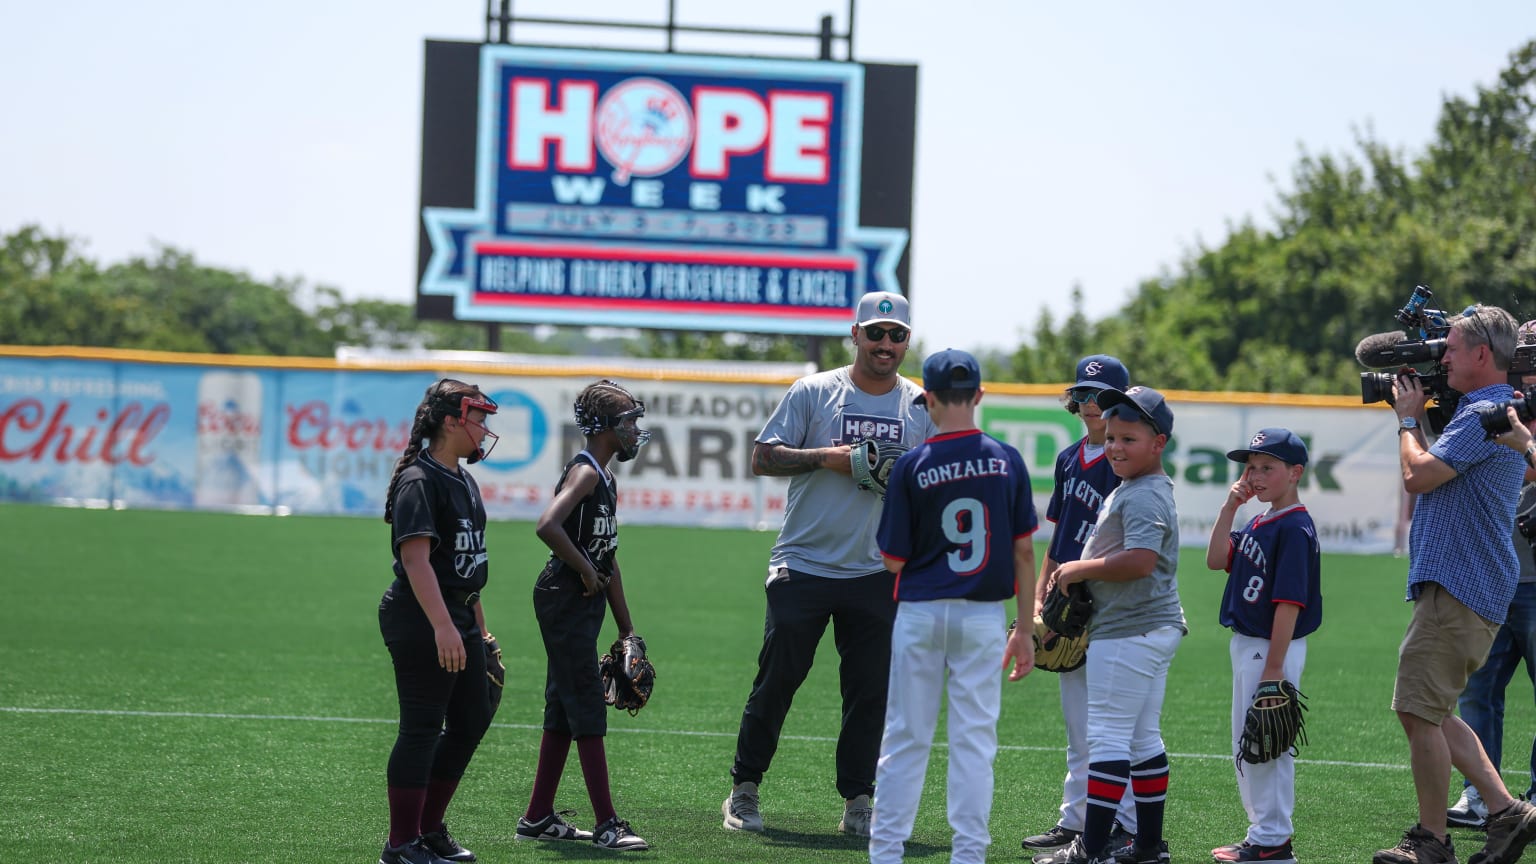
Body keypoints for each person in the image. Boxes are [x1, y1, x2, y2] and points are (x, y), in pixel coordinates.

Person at [723, 291, 937, 837]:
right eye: (876, 332)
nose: (886, 344)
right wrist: (826, 458)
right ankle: (744, 788)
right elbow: (762, 456)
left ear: (907, 341)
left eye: (897, 335)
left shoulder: (919, 406)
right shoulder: (816, 391)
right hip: (804, 563)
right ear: (855, 334)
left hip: (876, 571)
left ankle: (859, 803)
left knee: (869, 693)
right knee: (778, 680)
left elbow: (936, 485)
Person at [1374, 304, 1536, 864]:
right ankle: (1506, 812)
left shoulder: (1485, 410)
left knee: (1417, 710)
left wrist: (1406, 417)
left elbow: (1418, 476)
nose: (1441, 357)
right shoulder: (1487, 409)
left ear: (1482, 356)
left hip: (1461, 581)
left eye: (1450, 348)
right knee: (1433, 707)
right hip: (1468, 580)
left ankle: (1432, 840)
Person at [868, 348, 1039, 864]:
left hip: (920, 611)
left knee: (905, 738)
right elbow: (1025, 551)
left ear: (929, 400)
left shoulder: (913, 465)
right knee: (974, 743)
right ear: (979, 396)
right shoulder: (1006, 460)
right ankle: (968, 855)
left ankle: (886, 854)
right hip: (984, 616)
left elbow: (893, 560)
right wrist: (1026, 629)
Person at [1050, 385, 1185, 864]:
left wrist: (1077, 570)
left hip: (1130, 628)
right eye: (1110, 437)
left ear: (1159, 442)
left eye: (1129, 438)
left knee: (1107, 737)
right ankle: (1147, 847)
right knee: (1143, 738)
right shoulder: (1137, 487)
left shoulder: (1144, 494)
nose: (1115, 447)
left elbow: (1142, 560)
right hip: (1150, 625)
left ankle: (1088, 851)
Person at [516, 379, 651, 851]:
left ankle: (537, 817)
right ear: (608, 427)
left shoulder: (607, 476)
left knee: (562, 706)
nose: (636, 429)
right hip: (563, 597)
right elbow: (547, 525)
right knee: (588, 706)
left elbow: (607, 558)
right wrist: (583, 570)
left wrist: (627, 627)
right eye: (630, 421)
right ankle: (608, 824)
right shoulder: (588, 473)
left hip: (581, 600)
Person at [378, 379, 502, 864]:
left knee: (472, 718)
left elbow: (466, 570)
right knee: (422, 727)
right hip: (420, 617)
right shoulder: (420, 480)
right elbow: (417, 562)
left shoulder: (463, 479)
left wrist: (481, 630)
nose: (484, 428)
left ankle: (429, 829)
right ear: (451, 421)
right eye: (479, 417)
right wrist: (443, 628)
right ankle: (400, 843)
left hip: (457, 615)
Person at [1023, 355, 1139, 861]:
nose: (1092, 404)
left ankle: (1126, 824)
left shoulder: (1127, 462)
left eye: (1103, 395)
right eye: (1085, 394)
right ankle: (1076, 820)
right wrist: (1037, 601)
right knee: (1077, 721)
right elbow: (1058, 533)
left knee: (1115, 723)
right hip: (1066, 599)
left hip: (1110, 603)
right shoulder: (1070, 458)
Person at [1205, 428, 1322, 864]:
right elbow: (1217, 559)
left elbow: (1290, 601)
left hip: (1272, 647)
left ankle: (1273, 838)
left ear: (1295, 472)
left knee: (1266, 745)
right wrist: (1230, 505)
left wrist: (1274, 668)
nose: (1255, 476)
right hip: (1250, 644)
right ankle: (1262, 834)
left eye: (1267, 467)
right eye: (1251, 468)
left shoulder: (1294, 526)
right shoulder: (1259, 520)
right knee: (1248, 742)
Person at [1447, 338, 1536, 830]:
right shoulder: (1487, 407)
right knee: (1477, 690)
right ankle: (1482, 795)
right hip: (1493, 574)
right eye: (1525, 355)